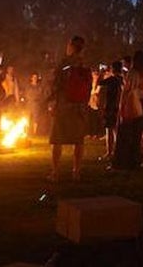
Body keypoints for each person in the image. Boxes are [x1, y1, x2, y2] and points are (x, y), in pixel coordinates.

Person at [47, 35, 92, 181]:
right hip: (79, 108)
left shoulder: (64, 63)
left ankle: (55, 173)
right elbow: (89, 86)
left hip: (63, 106)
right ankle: (76, 172)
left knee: (57, 140)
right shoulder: (85, 65)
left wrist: (51, 102)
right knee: (78, 141)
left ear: (72, 46)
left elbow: (55, 84)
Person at [99, 61, 124, 160]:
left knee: (109, 129)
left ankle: (109, 152)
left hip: (111, 107)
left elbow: (99, 83)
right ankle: (117, 151)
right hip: (119, 106)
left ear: (113, 69)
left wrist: (101, 74)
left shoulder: (112, 79)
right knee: (116, 130)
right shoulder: (121, 79)